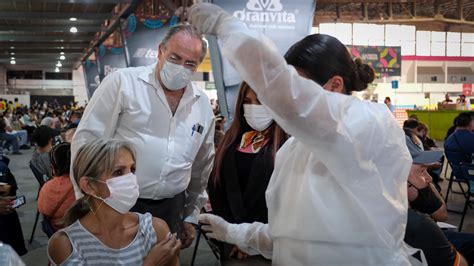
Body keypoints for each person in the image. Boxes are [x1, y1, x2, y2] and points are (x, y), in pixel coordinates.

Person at [189, 4, 414, 264]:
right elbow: (288, 236)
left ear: (335, 85)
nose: (281, 101)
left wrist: (228, 29)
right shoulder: (293, 149)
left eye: (299, 84)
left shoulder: (368, 122)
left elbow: (289, 95)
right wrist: (235, 233)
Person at [71, 24, 215, 248]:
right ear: (160, 51)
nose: (181, 67)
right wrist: (84, 202)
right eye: (175, 58)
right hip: (116, 202)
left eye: (190, 63)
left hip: (172, 207)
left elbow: (201, 165)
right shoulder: (123, 83)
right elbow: (86, 143)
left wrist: (191, 213)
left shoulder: (202, 105)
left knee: (166, 261)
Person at [48, 139, 181, 265]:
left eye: (132, 170)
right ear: (89, 185)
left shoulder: (154, 229)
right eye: (118, 172)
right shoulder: (67, 244)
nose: (130, 179)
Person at [208, 82, 288, 263]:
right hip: (230, 240)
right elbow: (217, 187)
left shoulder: (288, 142)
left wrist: (250, 240)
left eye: (260, 102)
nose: (253, 108)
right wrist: (233, 234)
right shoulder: (232, 139)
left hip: (270, 245)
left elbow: (287, 200)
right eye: (247, 101)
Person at [38, 142, 76, 232]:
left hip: (58, 232)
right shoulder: (87, 184)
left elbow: (44, 211)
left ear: (53, 167)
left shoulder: (47, 188)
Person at [444, 112, 474, 181]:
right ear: (470, 123)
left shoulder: (449, 139)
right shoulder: (471, 138)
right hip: (470, 174)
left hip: (457, 172)